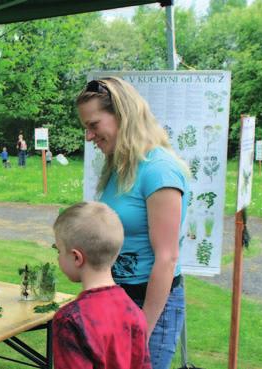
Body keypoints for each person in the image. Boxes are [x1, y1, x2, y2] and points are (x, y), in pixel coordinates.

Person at [76, 77, 189, 369]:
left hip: (151, 305)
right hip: (118, 297)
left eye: (93, 125)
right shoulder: (120, 166)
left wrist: (142, 329)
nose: (89, 136)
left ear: (122, 116)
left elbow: (167, 257)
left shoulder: (159, 170)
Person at [52, 202, 151, 369]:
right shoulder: (134, 312)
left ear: (77, 257)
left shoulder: (69, 321)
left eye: (59, 251)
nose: (58, 258)